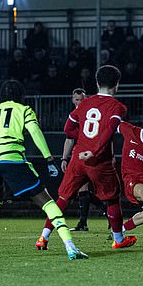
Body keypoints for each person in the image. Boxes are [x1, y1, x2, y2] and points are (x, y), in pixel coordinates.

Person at [0, 80, 88, 260]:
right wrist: (48, 158)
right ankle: (70, 247)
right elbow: (34, 131)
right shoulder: (24, 110)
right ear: (20, 96)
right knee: (46, 201)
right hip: (11, 159)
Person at [35, 65, 137, 250]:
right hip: (99, 162)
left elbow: (68, 128)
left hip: (77, 159)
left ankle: (43, 237)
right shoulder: (118, 107)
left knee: (63, 199)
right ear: (117, 84)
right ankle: (119, 239)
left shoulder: (85, 103)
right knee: (113, 198)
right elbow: (109, 129)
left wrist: (83, 140)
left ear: (97, 83)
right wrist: (95, 150)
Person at [56, 88, 102, 232]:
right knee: (81, 188)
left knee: (83, 188)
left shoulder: (90, 115)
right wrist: (64, 158)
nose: (79, 102)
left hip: (91, 154)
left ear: (86, 99)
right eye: (76, 100)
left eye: (81, 99)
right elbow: (69, 139)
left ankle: (85, 222)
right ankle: (101, 212)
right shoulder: (73, 116)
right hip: (78, 155)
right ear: (72, 100)